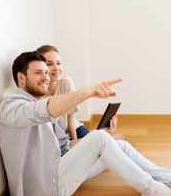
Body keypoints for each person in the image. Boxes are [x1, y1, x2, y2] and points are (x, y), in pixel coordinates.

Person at [0, 51, 171, 196]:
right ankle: (149, 188)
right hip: (46, 189)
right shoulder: (11, 108)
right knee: (99, 140)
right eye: (38, 73)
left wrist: (105, 135)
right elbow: (43, 110)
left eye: (46, 71)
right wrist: (90, 92)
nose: (46, 77)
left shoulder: (37, 104)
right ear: (21, 79)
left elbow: (65, 147)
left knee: (119, 145)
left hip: (58, 169)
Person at [36, 45, 123, 179]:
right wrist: (77, 151)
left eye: (58, 63)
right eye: (50, 64)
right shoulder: (38, 94)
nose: (56, 68)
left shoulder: (65, 84)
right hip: (58, 139)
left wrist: (77, 145)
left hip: (72, 129)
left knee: (102, 147)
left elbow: (70, 120)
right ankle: (108, 138)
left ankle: (107, 138)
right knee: (98, 149)